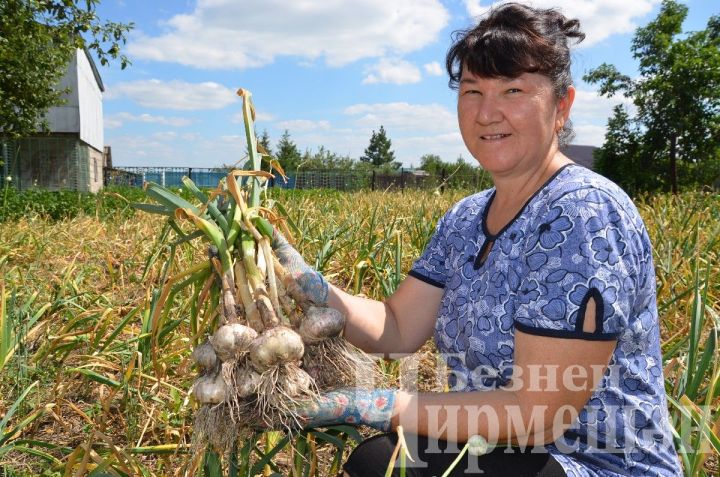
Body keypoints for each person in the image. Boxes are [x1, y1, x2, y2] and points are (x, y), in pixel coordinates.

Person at [273, 3, 681, 476]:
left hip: (596, 464)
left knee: (386, 462)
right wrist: (307, 283)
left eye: (513, 90)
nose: (488, 112)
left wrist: (384, 404)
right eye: (472, 91)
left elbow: (537, 414)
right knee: (383, 461)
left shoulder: (583, 213)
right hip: (503, 453)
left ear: (561, 105)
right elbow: (397, 327)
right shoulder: (466, 218)